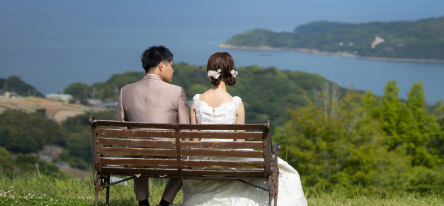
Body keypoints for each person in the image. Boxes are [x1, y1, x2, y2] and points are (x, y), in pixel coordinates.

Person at [181, 52, 307, 206]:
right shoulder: (236, 103)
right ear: (230, 72)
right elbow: (240, 143)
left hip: (201, 161)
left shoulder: (196, 101)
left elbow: (195, 140)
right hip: (227, 160)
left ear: (210, 72)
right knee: (287, 173)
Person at [116, 45, 190, 206]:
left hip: (136, 159)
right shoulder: (176, 92)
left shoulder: (125, 91)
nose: (173, 70)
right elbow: (185, 132)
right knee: (186, 160)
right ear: (162, 65)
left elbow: (121, 132)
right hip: (168, 159)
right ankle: (164, 203)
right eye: (171, 65)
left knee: (137, 150)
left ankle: (143, 203)